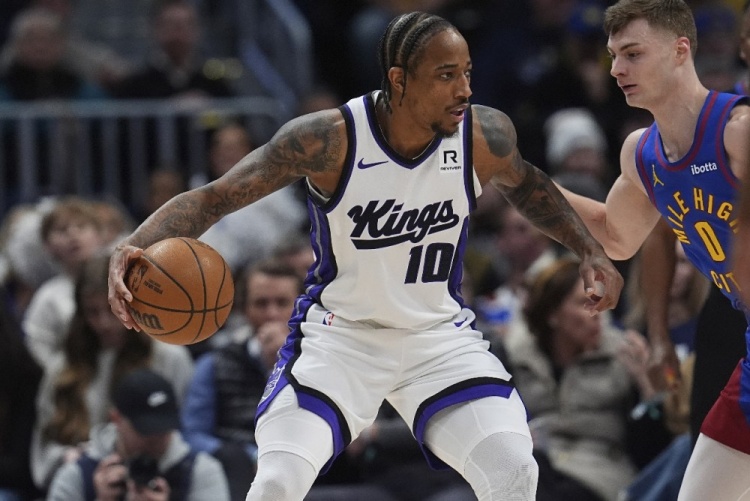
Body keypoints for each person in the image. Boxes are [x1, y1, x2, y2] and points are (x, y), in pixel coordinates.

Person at [108, 11, 623, 501]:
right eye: (446, 75)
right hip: (341, 339)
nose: (465, 89)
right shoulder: (327, 140)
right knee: (277, 483)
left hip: (437, 338)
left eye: (467, 73)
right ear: (399, 80)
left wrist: (588, 249)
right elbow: (215, 198)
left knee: (514, 469)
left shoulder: (482, 135)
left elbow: (528, 185)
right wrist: (132, 247)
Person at [554, 1, 750, 499]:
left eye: (633, 53)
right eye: (613, 56)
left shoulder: (738, 130)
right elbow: (616, 238)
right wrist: (518, 177)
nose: (617, 69)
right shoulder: (642, 154)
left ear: (680, 50)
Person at [30, 252, 194, 493]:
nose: (104, 323)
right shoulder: (63, 367)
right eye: (92, 312)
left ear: (134, 303)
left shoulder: (170, 359)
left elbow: (184, 433)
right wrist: (67, 458)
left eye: (112, 309)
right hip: (79, 482)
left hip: (158, 481)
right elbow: (43, 445)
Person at [46, 368, 230, 500]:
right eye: (146, 429)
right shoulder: (78, 475)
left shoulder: (201, 472)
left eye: (164, 428)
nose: (156, 438)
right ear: (116, 419)